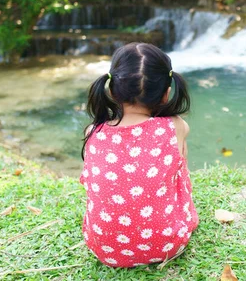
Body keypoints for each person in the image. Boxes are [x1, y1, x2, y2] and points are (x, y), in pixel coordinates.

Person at [79, 42, 198, 268]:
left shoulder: (93, 132)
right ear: (167, 92)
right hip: (166, 245)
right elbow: (180, 172)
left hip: (104, 249)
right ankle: (181, 217)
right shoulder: (175, 127)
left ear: (112, 90)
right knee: (178, 167)